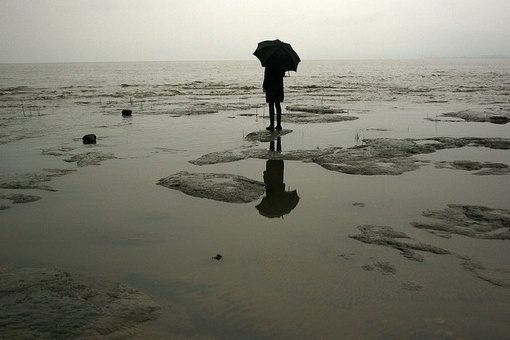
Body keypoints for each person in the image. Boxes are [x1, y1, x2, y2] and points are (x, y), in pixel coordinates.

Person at [263, 66, 285, 131]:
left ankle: (272, 125)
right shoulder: (281, 65)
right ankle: (278, 125)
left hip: (270, 86)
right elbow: (283, 75)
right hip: (279, 86)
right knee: (277, 105)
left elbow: (266, 76)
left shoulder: (268, 65)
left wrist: (264, 86)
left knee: (271, 105)